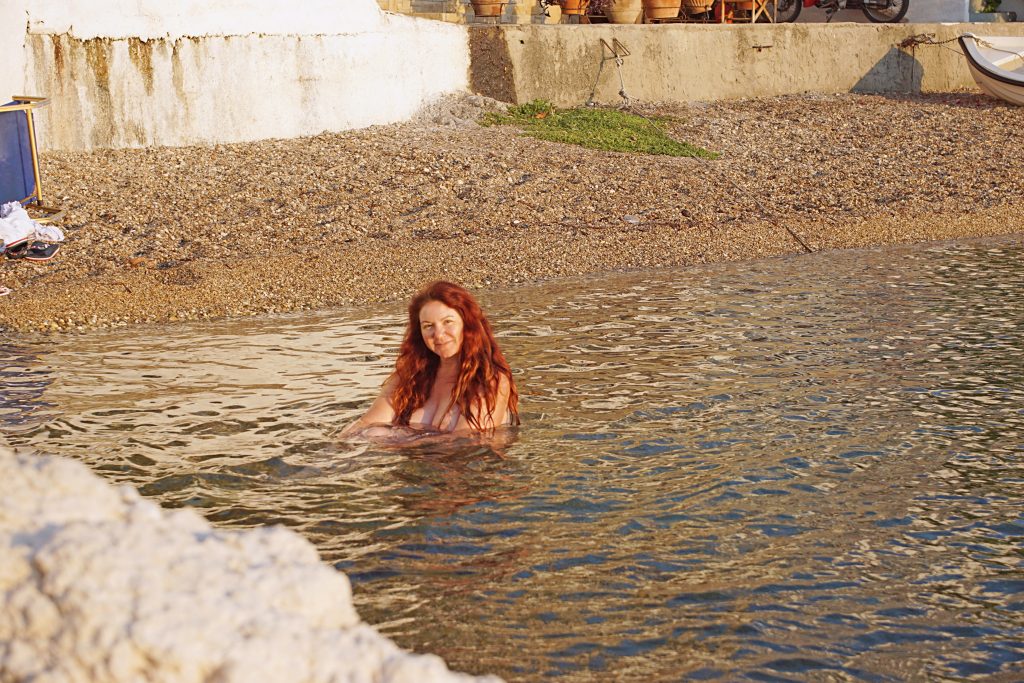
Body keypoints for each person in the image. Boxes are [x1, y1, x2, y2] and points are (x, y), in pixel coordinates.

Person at [341, 281, 520, 436]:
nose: (439, 335)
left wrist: (402, 440)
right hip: (415, 468)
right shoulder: (409, 376)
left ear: (468, 325)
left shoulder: (491, 381)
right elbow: (366, 424)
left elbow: (469, 444)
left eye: (448, 322)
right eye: (428, 326)